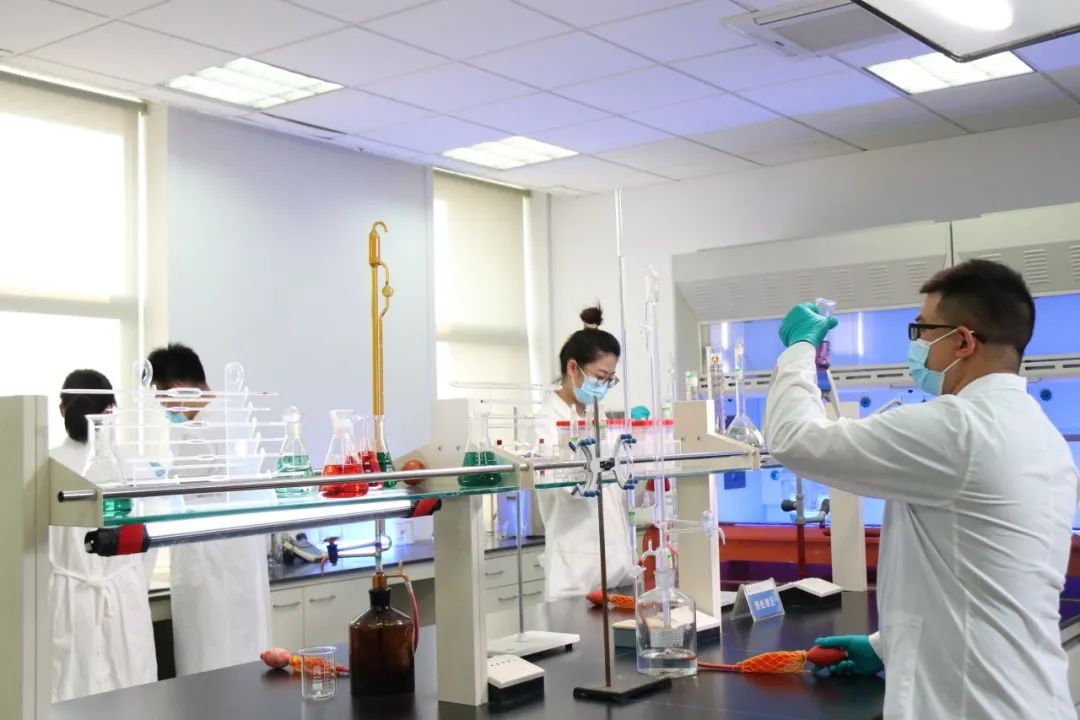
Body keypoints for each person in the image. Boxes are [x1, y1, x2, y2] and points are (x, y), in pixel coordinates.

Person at [765, 259, 1079, 719]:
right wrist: (885, 645)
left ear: (963, 341)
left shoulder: (959, 428)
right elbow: (987, 581)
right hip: (1029, 696)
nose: (915, 345)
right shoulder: (1042, 436)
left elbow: (794, 439)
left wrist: (799, 350)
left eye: (922, 330)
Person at [147, 344, 270, 676]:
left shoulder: (198, 433)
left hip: (210, 566)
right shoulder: (235, 417)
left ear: (177, 389)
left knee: (210, 663)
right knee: (246, 662)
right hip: (241, 563)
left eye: (163, 401)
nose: (166, 411)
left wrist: (156, 478)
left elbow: (179, 493)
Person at [50, 370, 157, 702]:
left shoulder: (43, 465)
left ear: (62, 409)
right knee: (132, 699)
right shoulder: (135, 464)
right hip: (124, 595)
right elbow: (151, 543)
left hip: (68, 602)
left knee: (71, 700)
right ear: (112, 409)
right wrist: (130, 580)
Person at [539, 306, 636, 601]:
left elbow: (614, 486)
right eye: (600, 376)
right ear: (573, 368)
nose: (604, 386)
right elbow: (567, 488)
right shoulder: (546, 421)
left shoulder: (597, 415)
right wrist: (599, 466)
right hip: (575, 573)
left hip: (616, 567)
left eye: (610, 379)